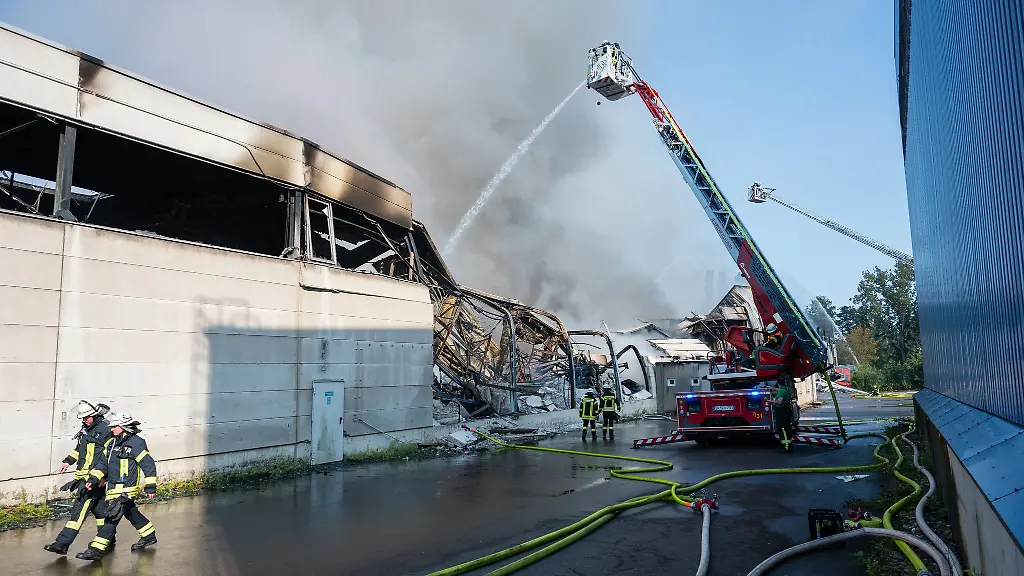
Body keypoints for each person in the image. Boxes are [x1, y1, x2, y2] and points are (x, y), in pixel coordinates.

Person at [76, 413, 158, 561]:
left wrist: (150, 486)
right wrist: (94, 479)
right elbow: (102, 464)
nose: (112, 429)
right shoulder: (111, 443)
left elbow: (148, 464)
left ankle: (96, 549)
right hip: (113, 489)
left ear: (123, 427)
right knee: (130, 512)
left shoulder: (136, 443)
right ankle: (149, 535)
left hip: (126, 489)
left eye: (114, 426)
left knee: (111, 517)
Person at [44, 401, 112, 555]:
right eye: (82, 418)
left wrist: (103, 477)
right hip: (85, 478)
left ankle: (62, 544)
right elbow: (79, 450)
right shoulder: (87, 430)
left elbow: (109, 457)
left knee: (78, 512)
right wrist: (67, 462)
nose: (83, 420)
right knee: (101, 512)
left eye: (86, 417)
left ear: (95, 415)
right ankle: (108, 539)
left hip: (93, 480)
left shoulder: (105, 430)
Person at [771, 380, 796, 446]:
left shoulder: (781, 392)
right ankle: (788, 445)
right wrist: (771, 388)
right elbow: (780, 389)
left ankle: (786, 446)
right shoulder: (787, 389)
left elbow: (779, 402)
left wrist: (770, 401)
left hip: (781, 412)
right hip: (786, 411)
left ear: (778, 383)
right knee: (787, 429)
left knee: (782, 429)